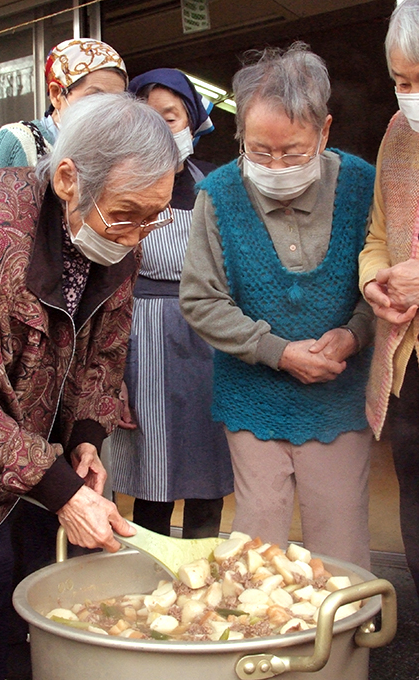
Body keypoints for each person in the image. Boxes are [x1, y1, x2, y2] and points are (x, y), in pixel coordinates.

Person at [0, 92, 178, 680]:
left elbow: (106, 351)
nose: (138, 234)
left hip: (35, 470)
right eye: (129, 213)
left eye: (153, 216)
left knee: (34, 618)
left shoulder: (114, 233)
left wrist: (85, 434)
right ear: (67, 178)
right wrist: (60, 489)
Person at [180, 42, 375, 568]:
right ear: (240, 134)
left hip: (340, 396)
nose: (274, 165)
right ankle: (257, 649)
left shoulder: (362, 185)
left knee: (340, 541)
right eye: (259, 151)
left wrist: (355, 333)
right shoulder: (218, 194)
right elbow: (201, 298)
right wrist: (277, 351)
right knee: (257, 542)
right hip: (252, 396)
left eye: (292, 152)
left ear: (325, 132)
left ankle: (345, 648)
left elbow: (379, 284)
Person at [111, 68, 233, 538]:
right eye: (149, 116)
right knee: (151, 468)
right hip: (140, 336)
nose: (162, 128)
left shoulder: (212, 187)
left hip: (206, 336)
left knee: (207, 460)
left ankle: (205, 561)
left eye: (172, 115)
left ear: (193, 121)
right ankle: (151, 567)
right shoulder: (123, 187)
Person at [359, 0, 419, 598]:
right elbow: (379, 234)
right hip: (408, 361)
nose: (411, 96)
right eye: (403, 81)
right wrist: (374, 278)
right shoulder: (399, 134)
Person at [0, 37, 127, 171]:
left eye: (116, 101)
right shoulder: (19, 142)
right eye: (95, 96)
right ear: (56, 94)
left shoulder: (116, 153)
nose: (107, 110)